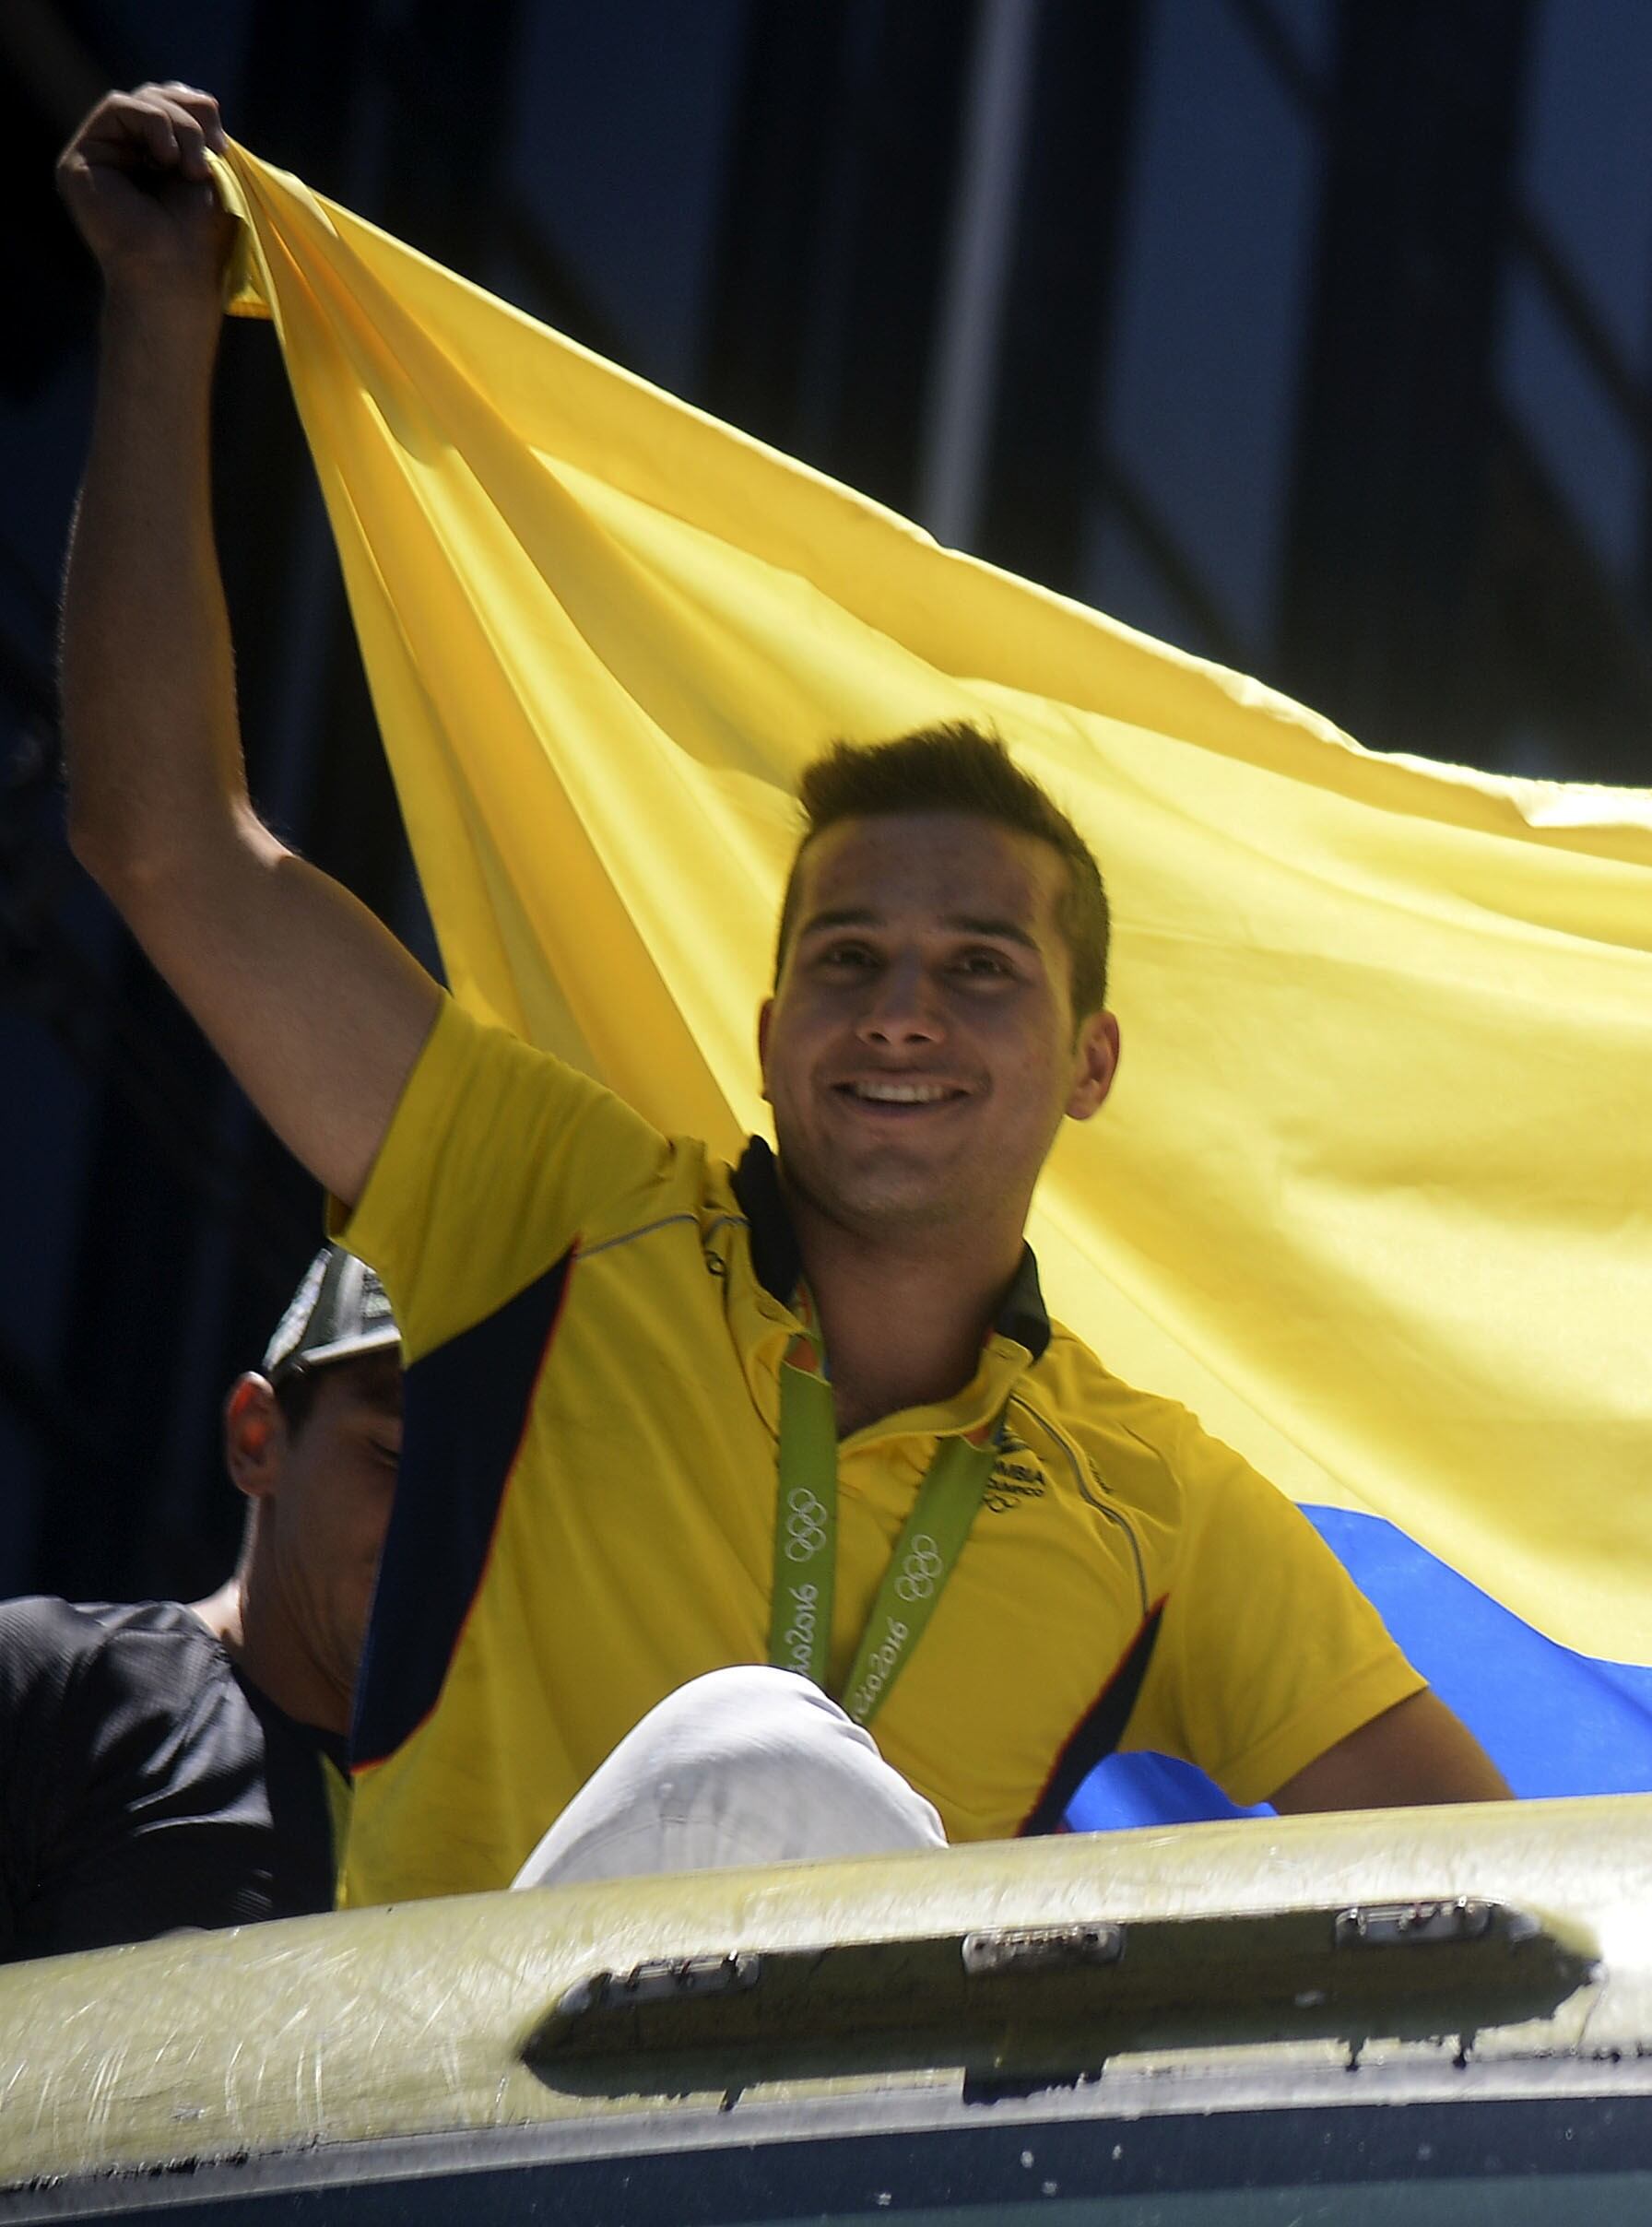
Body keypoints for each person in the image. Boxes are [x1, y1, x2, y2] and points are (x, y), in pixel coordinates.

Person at [53, 83, 1508, 1905]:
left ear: (1088, 1063)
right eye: (847, 960)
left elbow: (1488, 1882)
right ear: (767, 1035)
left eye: (980, 970)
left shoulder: (1164, 1509)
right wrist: (161, 311)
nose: (902, 1011)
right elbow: (168, 840)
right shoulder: (547, 1206)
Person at [1, 1248, 400, 1961]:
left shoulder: (511, 1821)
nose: (439, 1517)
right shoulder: (59, 1689)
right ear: (257, 1438)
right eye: (393, 1455)